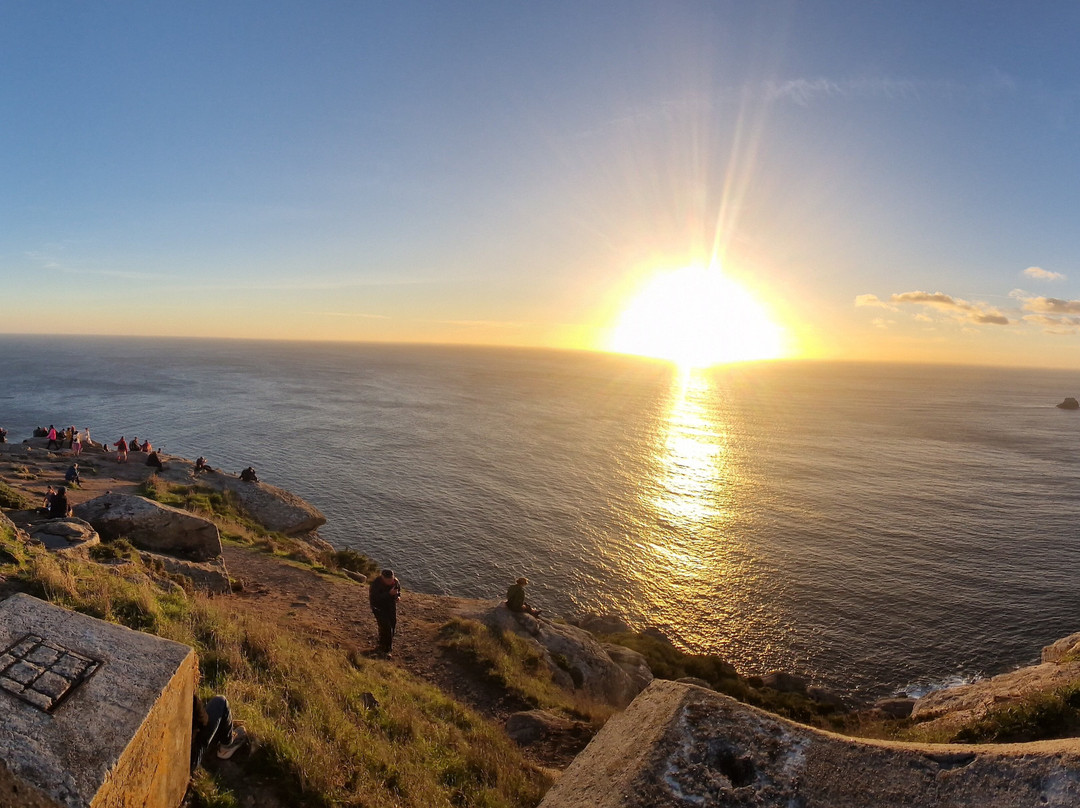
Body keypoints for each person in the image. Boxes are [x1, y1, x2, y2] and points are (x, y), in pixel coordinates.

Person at [190, 694, 246, 772]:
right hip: (190, 760)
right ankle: (227, 746)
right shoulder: (188, 698)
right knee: (220, 701)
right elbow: (203, 721)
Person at [369, 569, 401, 657]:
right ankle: (386, 648)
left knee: (393, 624)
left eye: (391, 579)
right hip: (379, 608)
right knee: (385, 626)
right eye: (388, 580)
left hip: (390, 606)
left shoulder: (395, 582)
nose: (390, 582)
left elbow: (398, 591)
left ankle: (386, 644)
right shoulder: (376, 584)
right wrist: (389, 594)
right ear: (383, 578)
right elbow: (375, 598)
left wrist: (398, 596)